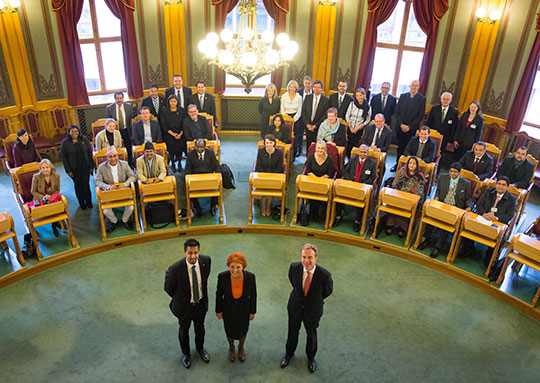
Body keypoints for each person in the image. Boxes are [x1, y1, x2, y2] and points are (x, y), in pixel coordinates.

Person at [281, 243, 333, 373]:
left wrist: (314, 300)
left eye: (310, 257)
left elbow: (327, 291)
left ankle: (311, 358)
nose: (306, 261)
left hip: (313, 310)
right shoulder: (294, 267)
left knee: (312, 334)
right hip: (295, 306)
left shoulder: (324, 274)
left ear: (316, 258)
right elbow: (293, 282)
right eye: (304, 257)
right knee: (292, 331)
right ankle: (288, 354)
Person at [164, 238, 211, 369]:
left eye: (195, 253)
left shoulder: (206, 261)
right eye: (190, 253)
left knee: (200, 328)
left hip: (200, 304)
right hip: (184, 307)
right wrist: (181, 299)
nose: (193, 256)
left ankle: (200, 349)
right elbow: (168, 288)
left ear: (199, 252)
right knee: (184, 331)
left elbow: (204, 281)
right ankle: (186, 354)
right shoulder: (175, 269)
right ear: (185, 253)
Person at [418, 162, 473, 258]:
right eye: (451, 171)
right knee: (430, 217)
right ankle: (426, 239)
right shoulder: (442, 178)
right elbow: (438, 192)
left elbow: (469, 198)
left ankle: (437, 247)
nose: (452, 173)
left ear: (459, 173)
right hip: (441, 205)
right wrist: (436, 199)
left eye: (455, 172)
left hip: (455, 208)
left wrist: (469, 207)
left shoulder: (466, 183)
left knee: (446, 224)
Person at [458, 177, 517, 265]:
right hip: (483, 217)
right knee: (466, 225)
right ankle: (469, 249)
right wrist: (484, 213)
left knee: (502, 239)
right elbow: (479, 205)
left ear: (507, 187)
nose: (500, 186)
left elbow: (509, 216)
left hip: (497, 223)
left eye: (503, 185)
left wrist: (496, 218)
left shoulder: (512, 199)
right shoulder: (489, 191)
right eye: (498, 184)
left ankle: (489, 258)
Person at [215, 252, 257, 363]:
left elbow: (253, 295)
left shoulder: (250, 277)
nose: (235, 270)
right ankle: (232, 347)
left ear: (243, 267)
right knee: (229, 330)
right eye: (232, 267)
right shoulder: (222, 277)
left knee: (243, 330)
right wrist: (218, 311)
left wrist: (252, 312)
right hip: (228, 310)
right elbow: (219, 294)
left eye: (238, 267)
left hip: (244, 310)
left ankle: (241, 347)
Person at [333, 144, 377, 232]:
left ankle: (357, 221)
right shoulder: (352, 159)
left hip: (362, 188)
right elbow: (346, 171)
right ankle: (338, 216)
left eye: (365, 152)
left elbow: (372, 177)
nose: (363, 154)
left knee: (361, 203)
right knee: (338, 197)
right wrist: (349, 181)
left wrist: (362, 185)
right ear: (358, 152)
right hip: (350, 185)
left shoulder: (372, 163)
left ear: (368, 153)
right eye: (361, 152)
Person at [94, 146, 137, 232]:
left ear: (118, 156)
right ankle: (114, 221)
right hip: (110, 192)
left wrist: (125, 184)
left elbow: (133, 176)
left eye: (115, 156)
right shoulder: (102, 167)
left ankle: (125, 220)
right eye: (110, 156)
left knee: (131, 207)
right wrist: (108, 187)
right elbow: (97, 182)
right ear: (107, 158)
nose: (113, 159)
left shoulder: (124, 164)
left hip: (123, 191)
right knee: (105, 210)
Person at [391, 80, 426, 171]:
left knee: (409, 148)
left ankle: (406, 167)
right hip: (400, 127)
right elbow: (397, 112)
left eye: (416, 86)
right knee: (400, 147)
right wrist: (401, 124)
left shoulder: (422, 99)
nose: (414, 87)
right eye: (412, 85)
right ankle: (397, 164)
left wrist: (409, 126)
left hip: (411, 129)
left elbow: (420, 116)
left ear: (418, 87)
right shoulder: (403, 96)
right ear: (409, 86)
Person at [386, 156, 425, 237]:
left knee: (408, 206)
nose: (411, 165)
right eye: (410, 163)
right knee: (392, 202)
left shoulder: (419, 176)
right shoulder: (402, 171)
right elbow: (394, 184)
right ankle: (390, 224)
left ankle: (402, 228)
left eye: (414, 163)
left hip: (410, 199)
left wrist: (409, 193)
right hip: (398, 196)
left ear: (416, 166)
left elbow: (420, 193)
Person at [184, 139, 220, 217]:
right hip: (196, 178)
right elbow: (187, 169)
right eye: (198, 147)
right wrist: (190, 179)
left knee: (216, 184)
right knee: (188, 187)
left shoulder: (210, 153)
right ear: (195, 147)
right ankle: (197, 207)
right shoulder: (190, 154)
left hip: (208, 177)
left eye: (201, 147)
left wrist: (216, 176)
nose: (199, 149)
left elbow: (217, 166)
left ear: (205, 147)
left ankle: (213, 206)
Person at [60, 125, 93, 210]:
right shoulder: (65, 143)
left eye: (76, 131)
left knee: (86, 185)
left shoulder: (84, 140)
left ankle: (89, 202)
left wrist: (91, 166)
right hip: (74, 169)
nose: (74, 133)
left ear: (79, 132)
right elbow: (64, 158)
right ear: (69, 132)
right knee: (78, 186)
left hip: (85, 166)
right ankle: (82, 203)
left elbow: (89, 153)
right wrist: (68, 171)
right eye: (72, 132)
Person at [304, 141, 335, 221]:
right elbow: (308, 171)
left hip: (324, 183)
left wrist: (321, 179)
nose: (320, 150)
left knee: (322, 198)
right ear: (315, 148)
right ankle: (312, 214)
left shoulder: (329, 159)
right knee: (312, 197)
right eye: (318, 148)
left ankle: (322, 215)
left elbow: (330, 173)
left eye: (322, 148)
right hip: (312, 181)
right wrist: (316, 179)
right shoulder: (311, 157)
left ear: (325, 149)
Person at [31, 159, 61, 237]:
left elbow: (57, 190)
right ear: (40, 169)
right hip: (40, 199)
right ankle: (54, 223)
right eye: (43, 168)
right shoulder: (36, 177)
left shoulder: (57, 176)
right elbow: (33, 191)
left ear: (50, 168)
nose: (45, 170)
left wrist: (51, 197)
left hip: (52, 198)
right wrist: (43, 197)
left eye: (47, 167)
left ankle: (54, 225)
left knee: (56, 205)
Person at [255, 134, 284, 216]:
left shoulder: (279, 153)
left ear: (274, 143)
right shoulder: (261, 152)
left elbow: (280, 167)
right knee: (265, 185)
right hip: (263, 176)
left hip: (275, 176)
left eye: (270, 143)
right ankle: (264, 205)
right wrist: (265, 176)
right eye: (267, 143)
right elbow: (259, 166)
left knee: (270, 185)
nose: (268, 145)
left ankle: (268, 206)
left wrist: (272, 176)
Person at [105, 91, 134, 167]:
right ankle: (120, 165)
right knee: (118, 149)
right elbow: (109, 121)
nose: (119, 100)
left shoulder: (129, 106)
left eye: (120, 98)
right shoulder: (109, 108)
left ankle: (130, 165)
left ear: (123, 98)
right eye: (117, 98)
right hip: (115, 131)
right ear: (115, 99)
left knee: (129, 148)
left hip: (127, 130)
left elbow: (131, 118)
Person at [160, 95, 187, 172]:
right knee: (171, 150)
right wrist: (173, 134)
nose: (173, 103)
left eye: (174, 101)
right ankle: (172, 164)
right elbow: (163, 125)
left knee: (180, 150)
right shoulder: (164, 111)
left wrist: (180, 134)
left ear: (177, 102)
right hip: (169, 135)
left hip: (180, 134)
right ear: (168, 102)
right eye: (171, 101)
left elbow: (184, 124)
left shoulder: (182, 110)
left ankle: (179, 163)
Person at [302, 80, 330, 152]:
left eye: (318, 87)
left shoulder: (326, 100)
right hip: (308, 125)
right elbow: (303, 112)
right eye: (315, 87)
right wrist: (307, 124)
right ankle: (308, 159)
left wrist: (315, 125)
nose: (316, 89)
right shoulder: (308, 97)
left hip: (318, 127)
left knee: (317, 145)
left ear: (321, 89)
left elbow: (324, 115)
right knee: (308, 145)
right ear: (312, 88)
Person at [345, 87, 371, 157]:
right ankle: (348, 159)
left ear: (364, 95)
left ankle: (354, 159)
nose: (358, 97)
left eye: (360, 95)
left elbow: (367, 120)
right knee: (349, 144)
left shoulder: (368, 106)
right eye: (357, 96)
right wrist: (350, 126)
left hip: (359, 129)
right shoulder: (352, 104)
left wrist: (358, 128)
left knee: (355, 144)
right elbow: (347, 115)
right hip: (350, 127)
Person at [280, 80, 302, 147]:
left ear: (296, 88)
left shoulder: (299, 97)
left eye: (294, 87)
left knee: (294, 136)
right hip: (285, 118)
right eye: (291, 87)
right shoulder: (284, 96)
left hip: (295, 118)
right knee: (285, 135)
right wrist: (286, 119)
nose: (292, 88)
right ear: (288, 87)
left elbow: (299, 110)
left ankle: (294, 153)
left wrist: (293, 120)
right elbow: (282, 108)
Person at [295, 76, 313, 157]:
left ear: (311, 84)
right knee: (299, 134)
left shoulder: (314, 92)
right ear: (303, 83)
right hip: (300, 116)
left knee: (309, 136)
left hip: (310, 117)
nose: (307, 85)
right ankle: (299, 150)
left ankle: (309, 152)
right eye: (306, 83)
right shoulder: (299, 92)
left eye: (309, 83)